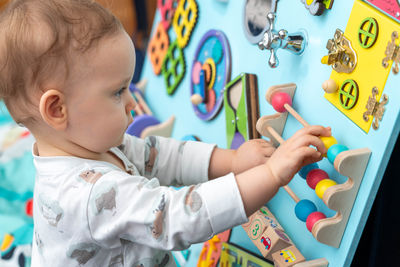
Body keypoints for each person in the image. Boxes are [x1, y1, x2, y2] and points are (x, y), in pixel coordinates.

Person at [0, 0, 331, 265]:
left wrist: (232, 161)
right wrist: (272, 174)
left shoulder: (87, 142)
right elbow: (178, 217)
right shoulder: (86, 197)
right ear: (58, 110)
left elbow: (159, 156)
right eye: (117, 92)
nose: (132, 102)